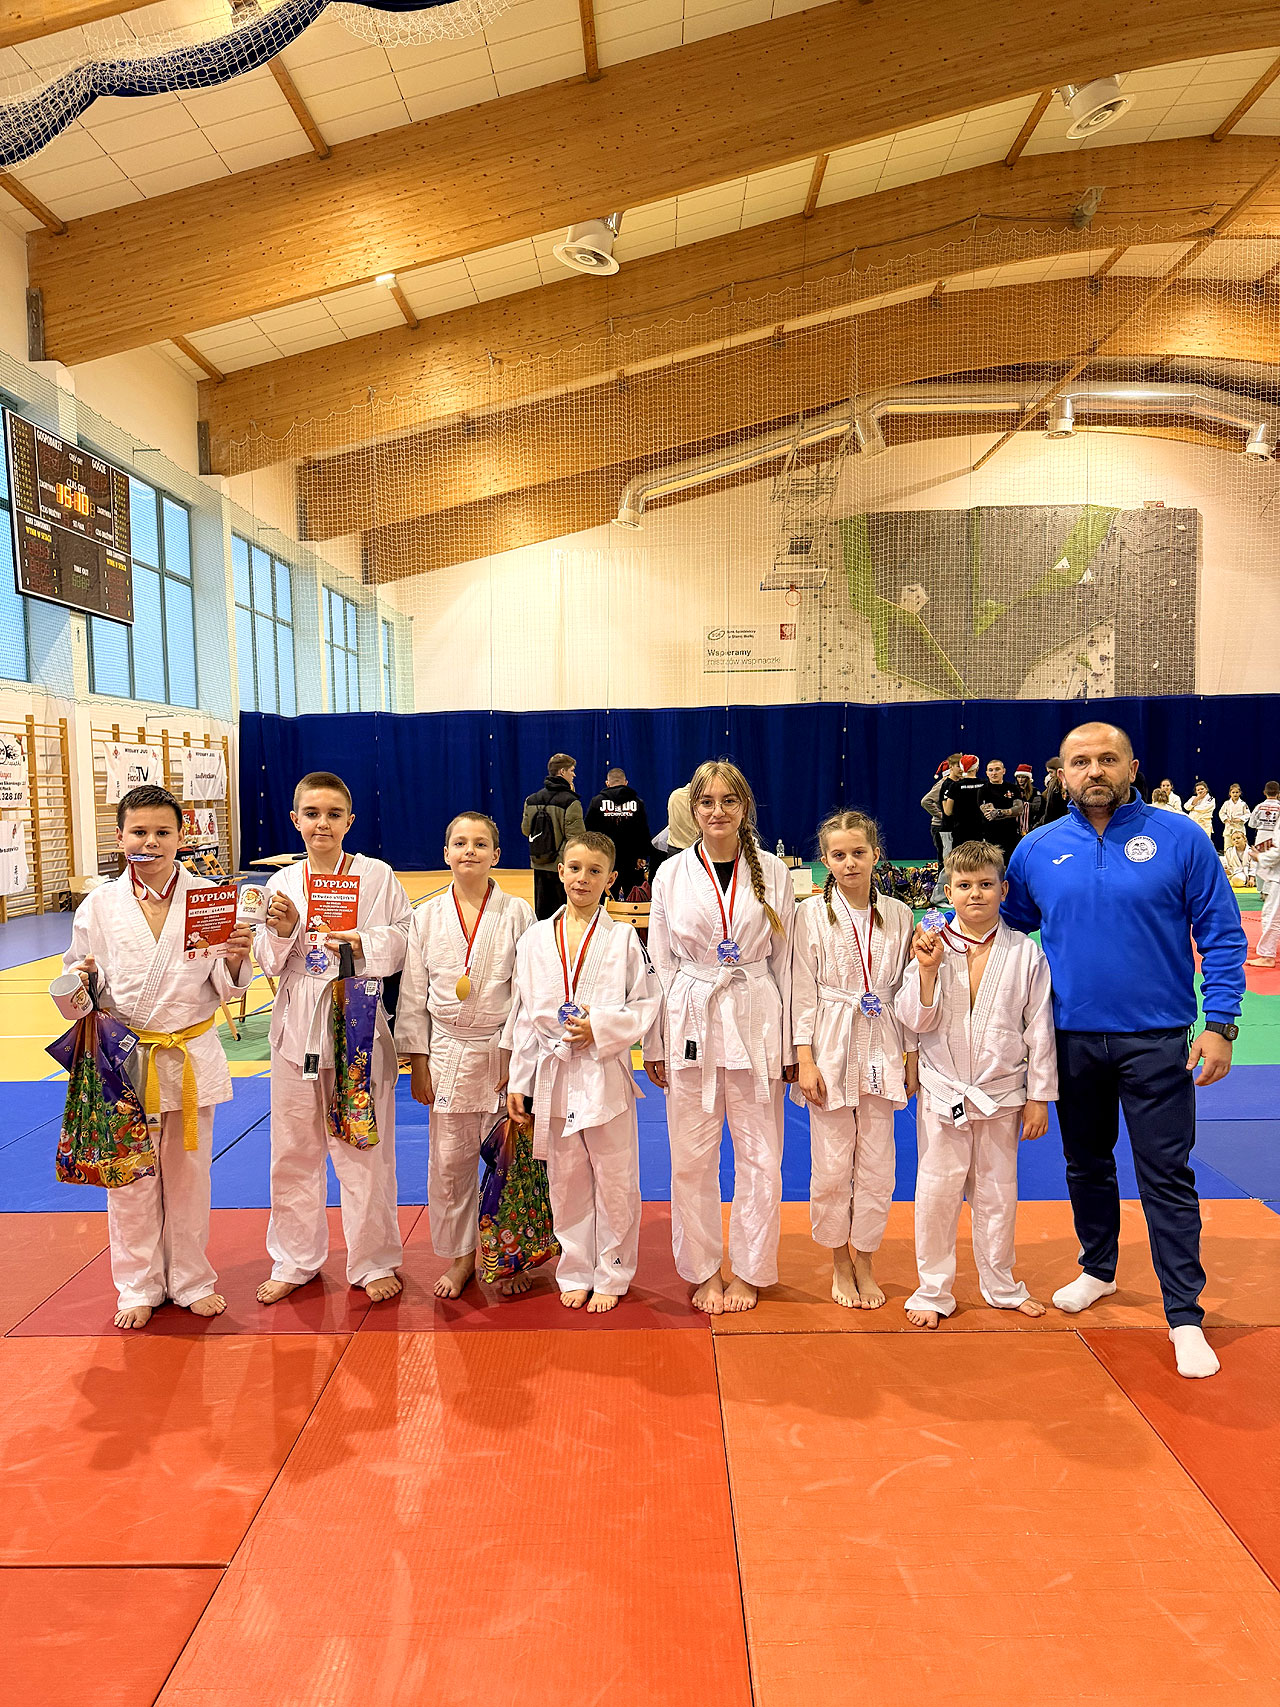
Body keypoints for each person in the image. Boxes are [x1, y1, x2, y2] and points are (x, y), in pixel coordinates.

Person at [1004, 722, 1246, 1379]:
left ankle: (1184, 1314)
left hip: (1157, 1039)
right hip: (1070, 1039)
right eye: (1080, 761)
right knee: (1085, 1164)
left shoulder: (1181, 838)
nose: (1094, 771)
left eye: (1107, 758)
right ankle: (1099, 1268)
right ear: (1062, 774)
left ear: (1132, 766)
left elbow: (1222, 933)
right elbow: (1002, 931)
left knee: (1166, 1174)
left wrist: (1222, 1023)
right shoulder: (1036, 850)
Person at [64, 785, 253, 1329]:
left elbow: (230, 988)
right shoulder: (100, 905)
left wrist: (237, 959)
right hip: (125, 1059)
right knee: (130, 1178)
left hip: (189, 1051)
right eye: (139, 831)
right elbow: (75, 985)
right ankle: (138, 1284)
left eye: (162, 832)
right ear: (119, 836)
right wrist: (81, 981)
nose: (150, 842)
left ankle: (192, 1278)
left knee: (189, 1176)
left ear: (180, 836)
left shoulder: (209, 898)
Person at [644, 759, 795, 1315]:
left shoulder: (773, 871)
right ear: (693, 809)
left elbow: (787, 964)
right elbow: (660, 963)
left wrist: (791, 1045)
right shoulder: (670, 873)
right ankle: (704, 1268)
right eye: (706, 802)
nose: (717, 811)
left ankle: (751, 1270)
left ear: (744, 807)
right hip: (692, 1019)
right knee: (691, 1158)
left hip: (757, 1020)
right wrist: (656, 1041)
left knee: (762, 1158)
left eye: (729, 800)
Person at [254, 771, 411, 1306]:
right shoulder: (280, 884)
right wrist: (283, 932)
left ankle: (373, 1259)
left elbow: (404, 938)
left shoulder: (377, 875)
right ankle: (294, 1259)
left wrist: (361, 941)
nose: (323, 823)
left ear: (350, 821)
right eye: (312, 814)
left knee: (365, 1148)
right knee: (293, 1151)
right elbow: (267, 960)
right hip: (298, 1024)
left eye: (333, 814)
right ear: (295, 819)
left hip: (357, 1020)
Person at [895, 841, 1054, 1329]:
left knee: (998, 1194)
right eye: (964, 885)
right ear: (948, 892)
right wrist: (925, 971)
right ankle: (932, 1289)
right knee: (936, 1193)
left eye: (986, 884)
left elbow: (1040, 1030)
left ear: (1004, 890)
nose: (976, 894)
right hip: (943, 1091)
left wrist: (1039, 1098)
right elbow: (913, 1019)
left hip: (1001, 1094)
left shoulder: (1025, 953)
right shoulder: (931, 946)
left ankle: (1001, 1285)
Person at [505, 832, 662, 1312]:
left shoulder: (623, 939)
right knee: (566, 1179)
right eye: (574, 868)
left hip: (603, 1073)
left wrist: (602, 1027)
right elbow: (523, 1014)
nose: (583, 879)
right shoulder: (535, 939)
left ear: (610, 879)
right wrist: (519, 1079)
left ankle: (613, 1270)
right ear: (560, 871)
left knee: (616, 1180)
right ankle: (574, 1269)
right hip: (552, 1074)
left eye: (595, 871)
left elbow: (646, 1002)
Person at [397, 812, 533, 1299]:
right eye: (459, 842)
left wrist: (519, 1059)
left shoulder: (517, 913)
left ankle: (511, 1256)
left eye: (480, 843)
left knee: (509, 1163)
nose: (469, 850)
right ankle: (462, 1259)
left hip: (501, 1052)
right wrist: (417, 1062)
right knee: (450, 1166)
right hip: (447, 1052)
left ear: (496, 854)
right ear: (446, 853)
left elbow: (528, 993)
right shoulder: (426, 916)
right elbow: (412, 993)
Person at [792, 810, 917, 1310]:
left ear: (876, 855)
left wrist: (911, 1055)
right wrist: (804, 1059)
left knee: (878, 1164)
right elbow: (801, 989)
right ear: (825, 861)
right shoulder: (809, 914)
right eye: (839, 855)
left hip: (883, 1040)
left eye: (858, 853)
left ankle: (865, 1258)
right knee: (830, 1165)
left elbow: (907, 989)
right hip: (829, 1041)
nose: (849, 863)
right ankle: (839, 1261)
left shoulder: (900, 914)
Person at [522, 754, 586, 920]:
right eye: (572, 770)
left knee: (542, 913)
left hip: (538, 862)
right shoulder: (571, 801)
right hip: (561, 866)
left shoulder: (531, 800)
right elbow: (576, 838)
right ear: (562, 772)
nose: (574, 774)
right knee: (562, 915)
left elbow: (526, 830)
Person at [584, 767, 653, 896]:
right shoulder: (637, 803)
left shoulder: (597, 802)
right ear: (625, 783)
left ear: (607, 783)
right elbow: (643, 831)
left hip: (604, 858)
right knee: (633, 896)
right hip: (632, 859)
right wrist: (642, 855)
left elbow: (588, 832)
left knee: (604, 896)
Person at [920, 755, 961, 866]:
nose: (961, 769)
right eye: (958, 766)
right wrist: (942, 815)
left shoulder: (959, 783)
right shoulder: (943, 784)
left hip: (954, 826)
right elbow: (926, 801)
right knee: (945, 861)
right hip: (940, 826)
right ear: (951, 767)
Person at [939, 753, 987, 844]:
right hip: (981, 830)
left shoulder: (955, 786)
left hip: (960, 831)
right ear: (977, 768)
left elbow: (948, 811)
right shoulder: (985, 784)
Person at [978, 757, 1020, 859]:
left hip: (1011, 834)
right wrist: (1009, 812)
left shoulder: (1013, 788)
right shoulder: (983, 790)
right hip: (991, 836)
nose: (994, 773)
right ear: (987, 773)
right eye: (990, 770)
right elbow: (989, 814)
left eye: (997, 769)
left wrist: (999, 812)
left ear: (1004, 771)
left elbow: (1019, 810)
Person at [1250, 782, 1280, 900]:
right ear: (1278, 793)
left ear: (1264, 792)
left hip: (1261, 836)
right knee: (1272, 863)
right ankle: (1268, 891)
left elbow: (1251, 823)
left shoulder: (1259, 806)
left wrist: (1261, 824)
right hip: (1274, 836)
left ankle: (1261, 891)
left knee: (1259, 862)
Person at [1013, 764, 1041, 835]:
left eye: (1023, 777)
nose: (1020, 779)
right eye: (1018, 777)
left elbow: (1037, 807)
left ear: (1028, 778)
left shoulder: (1035, 791)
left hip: (1030, 824)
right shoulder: (1012, 790)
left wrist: (1022, 805)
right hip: (1014, 825)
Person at [1040, 756, 1069, 823]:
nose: (1050, 775)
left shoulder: (1070, 786)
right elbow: (1049, 811)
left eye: (1051, 772)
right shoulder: (1053, 786)